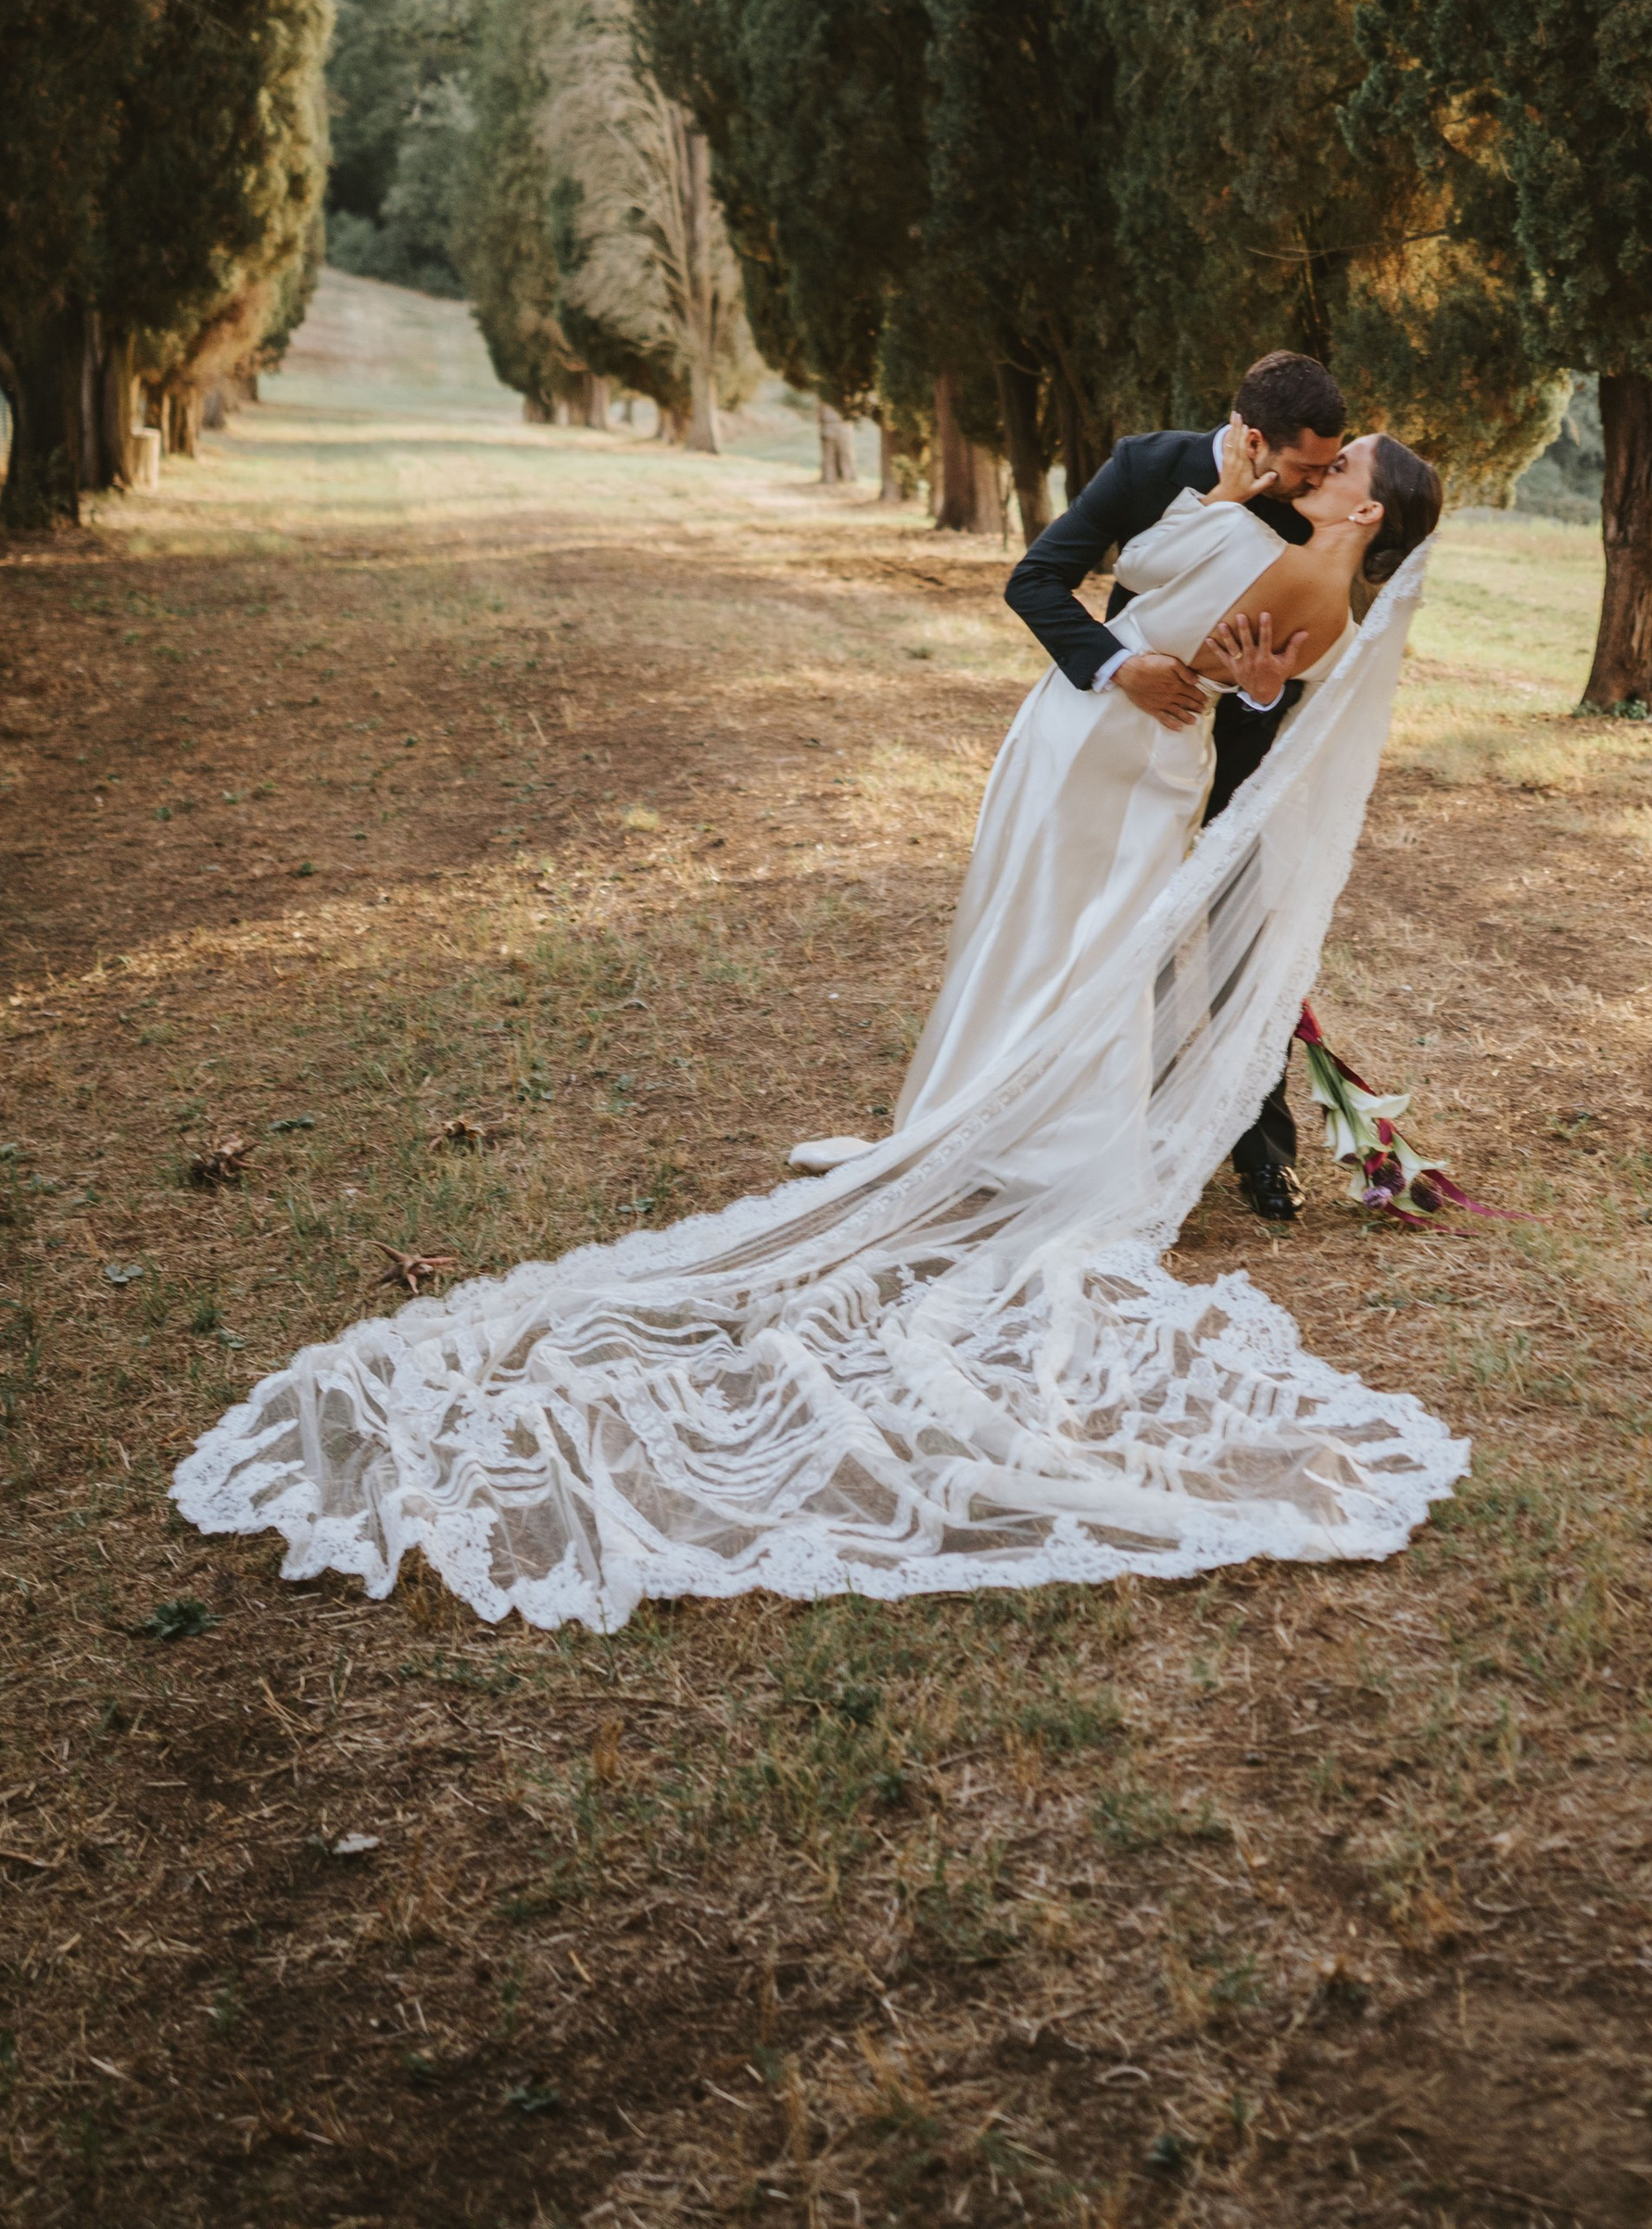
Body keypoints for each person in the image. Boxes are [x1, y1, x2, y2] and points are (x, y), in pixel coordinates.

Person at [173, 408, 1452, 1631]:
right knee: (1051, 956)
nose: (1329, 465)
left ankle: (1063, 1139)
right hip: (1115, 741)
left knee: (1096, 966)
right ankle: (1008, 1120)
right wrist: (1193, 656)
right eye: (1323, 451)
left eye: (1349, 464)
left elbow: (1239, 650)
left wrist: (1241, 660)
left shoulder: (1295, 553)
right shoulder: (1253, 529)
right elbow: (1088, 592)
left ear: (1364, 501)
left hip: (1158, 761)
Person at [1004, 350, 1348, 1218]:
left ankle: (1262, 1150)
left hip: (1238, 755)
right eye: (1307, 464)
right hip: (1130, 745)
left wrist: (1267, 694)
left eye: (1328, 466)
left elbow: (1304, 666)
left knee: (1243, 938)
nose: (1322, 479)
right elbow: (1035, 580)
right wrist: (1120, 666)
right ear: (1255, 439)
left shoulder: (1318, 511)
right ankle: (1128, 1134)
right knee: (1128, 939)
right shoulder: (1147, 466)